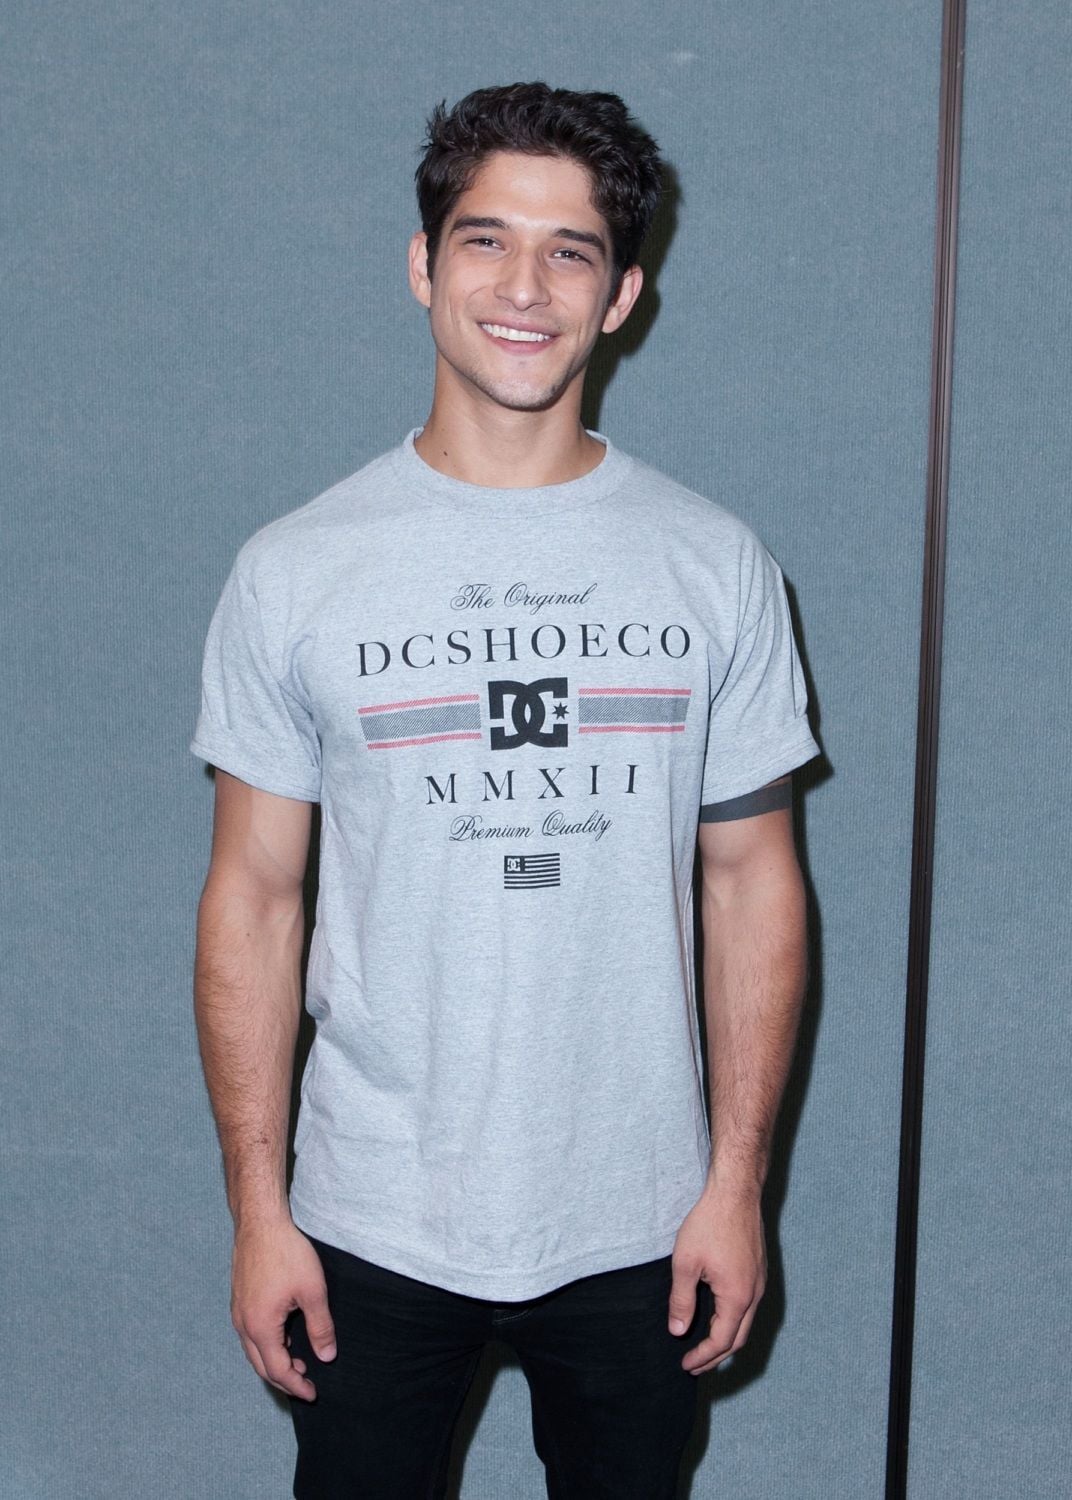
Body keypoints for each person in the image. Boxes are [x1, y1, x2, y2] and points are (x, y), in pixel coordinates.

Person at [192, 81, 820, 1500]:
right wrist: (257, 1211)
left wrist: (737, 1186)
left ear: (623, 296)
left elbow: (752, 883)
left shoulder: (714, 566)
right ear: (424, 266)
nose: (523, 287)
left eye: (570, 251)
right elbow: (254, 898)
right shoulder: (295, 571)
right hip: (370, 1218)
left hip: (642, 1221)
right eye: (485, 241)